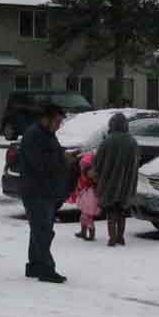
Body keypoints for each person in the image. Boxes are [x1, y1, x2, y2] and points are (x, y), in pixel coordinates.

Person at [19, 104, 76, 283]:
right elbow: (41, 164)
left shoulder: (47, 135)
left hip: (46, 191)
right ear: (46, 118)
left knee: (39, 230)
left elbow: (52, 156)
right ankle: (46, 269)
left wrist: (64, 156)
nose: (59, 125)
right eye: (57, 121)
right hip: (36, 192)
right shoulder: (34, 135)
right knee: (43, 231)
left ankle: (35, 265)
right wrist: (63, 159)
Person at [95, 113, 139, 247]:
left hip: (109, 182)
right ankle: (120, 236)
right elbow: (136, 162)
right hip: (126, 182)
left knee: (111, 211)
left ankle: (112, 237)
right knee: (121, 211)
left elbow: (98, 162)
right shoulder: (132, 141)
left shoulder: (107, 141)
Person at [70, 152, 100, 241]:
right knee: (83, 215)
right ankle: (83, 231)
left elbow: (91, 182)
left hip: (89, 197)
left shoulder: (91, 174)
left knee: (88, 216)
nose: (82, 166)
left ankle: (91, 233)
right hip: (84, 196)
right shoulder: (83, 173)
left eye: (84, 165)